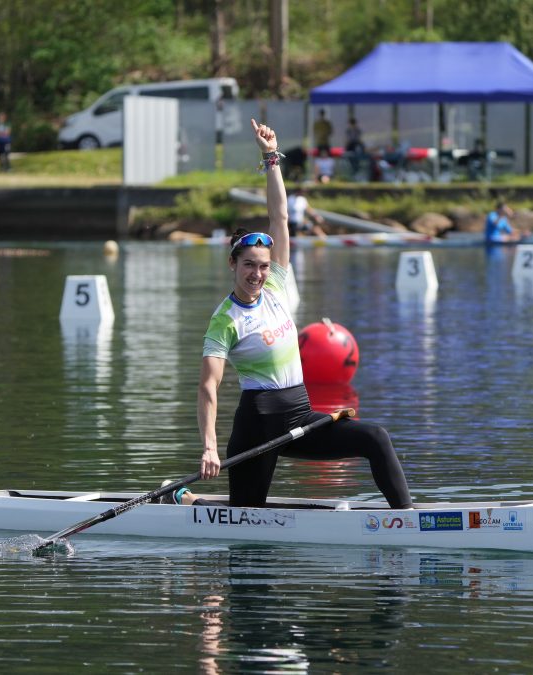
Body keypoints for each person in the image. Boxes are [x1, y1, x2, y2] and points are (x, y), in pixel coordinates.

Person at [165, 119, 414, 511]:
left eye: (263, 266)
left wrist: (271, 157)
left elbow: (279, 217)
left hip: (300, 415)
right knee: (245, 516)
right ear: (233, 264)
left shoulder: (277, 285)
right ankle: (185, 501)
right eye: (249, 265)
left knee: (376, 437)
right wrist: (209, 448)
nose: (257, 274)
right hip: (257, 428)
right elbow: (208, 388)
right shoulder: (225, 319)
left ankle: (406, 521)